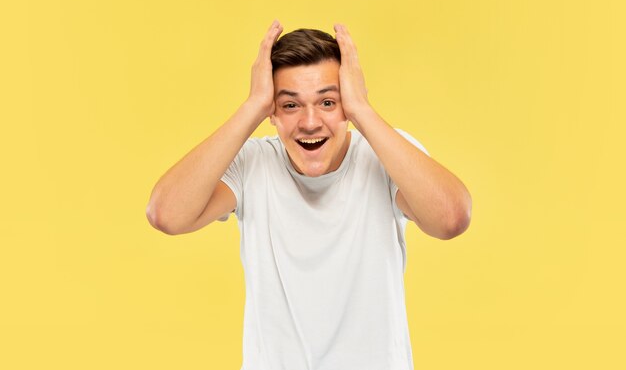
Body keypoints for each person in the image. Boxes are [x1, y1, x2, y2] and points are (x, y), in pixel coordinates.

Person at [146, 20, 472, 370]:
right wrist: (253, 105)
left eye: (328, 102)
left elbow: (450, 218)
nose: (310, 122)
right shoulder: (252, 164)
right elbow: (167, 214)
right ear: (272, 111)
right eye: (290, 105)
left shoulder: (383, 155)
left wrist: (362, 109)